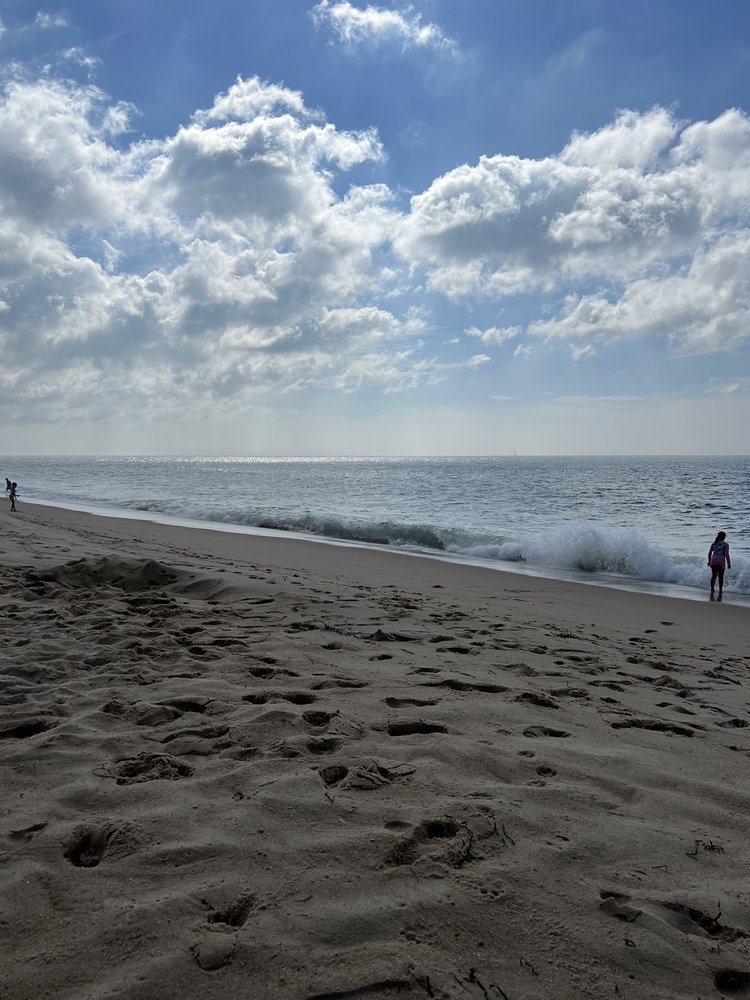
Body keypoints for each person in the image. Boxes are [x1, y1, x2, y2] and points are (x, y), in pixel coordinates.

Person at [707, 530, 731, 600]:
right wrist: (729, 563)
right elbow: (726, 554)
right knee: (720, 576)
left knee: (713, 576)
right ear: (724, 537)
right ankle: (720, 590)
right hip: (720, 561)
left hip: (713, 560)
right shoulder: (726, 545)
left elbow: (709, 553)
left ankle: (712, 589)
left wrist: (709, 561)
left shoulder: (714, 544)